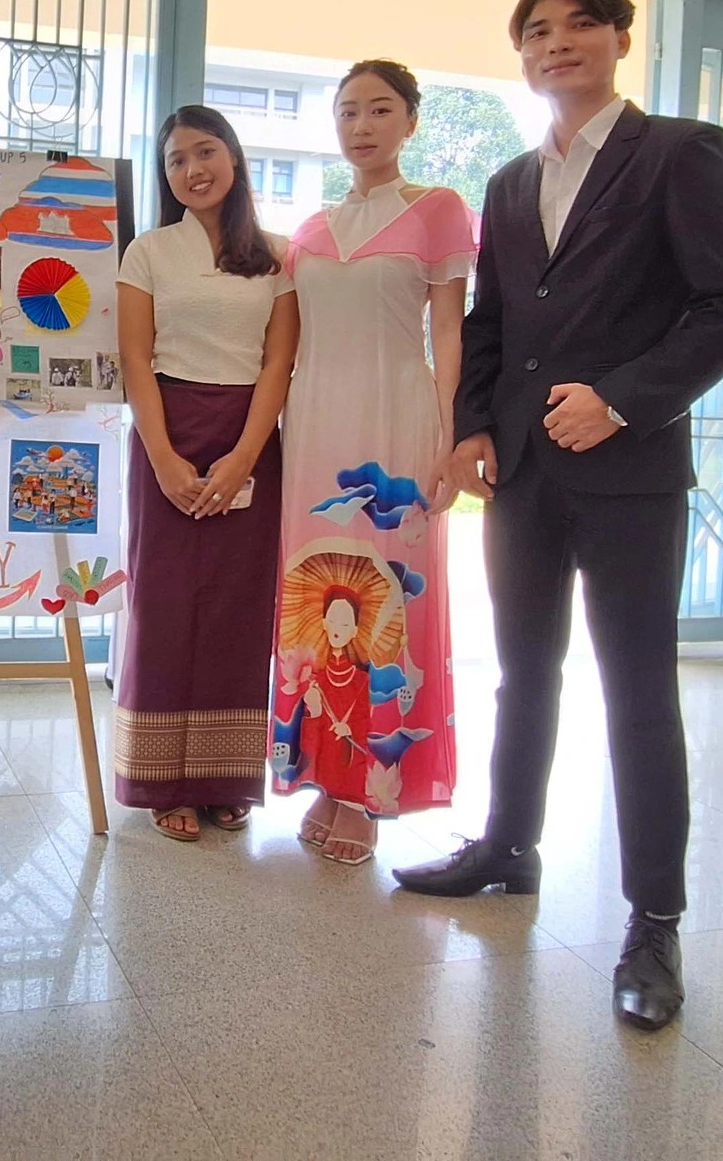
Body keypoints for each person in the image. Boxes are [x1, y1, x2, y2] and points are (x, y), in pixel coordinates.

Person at [394, 0, 723, 1032]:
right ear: (520, 55)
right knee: (521, 671)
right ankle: (507, 846)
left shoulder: (678, 153)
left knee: (636, 690)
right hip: (519, 470)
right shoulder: (510, 181)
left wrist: (620, 400)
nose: (554, 45)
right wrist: (470, 429)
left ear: (616, 38)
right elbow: (492, 320)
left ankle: (653, 918)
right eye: (535, 33)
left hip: (629, 471)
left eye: (575, 27)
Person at [272, 61, 475, 867]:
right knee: (314, 600)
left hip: (397, 421)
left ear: (410, 121)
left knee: (386, 596)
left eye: (380, 109)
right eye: (348, 111)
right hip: (313, 420)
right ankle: (324, 775)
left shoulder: (439, 210)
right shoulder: (310, 231)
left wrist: (449, 440)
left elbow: (450, 334)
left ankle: (370, 789)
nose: (362, 126)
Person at [113, 105, 297, 841]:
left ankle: (226, 780)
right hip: (166, 427)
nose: (193, 169)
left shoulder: (280, 255)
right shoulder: (149, 251)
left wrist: (246, 454)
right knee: (164, 606)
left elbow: (279, 363)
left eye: (206, 151)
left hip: (251, 435)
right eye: (177, 160)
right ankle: (164, 783)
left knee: (237, 609)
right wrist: (163, 458)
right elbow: (135, 359)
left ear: (234, 158)